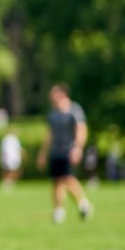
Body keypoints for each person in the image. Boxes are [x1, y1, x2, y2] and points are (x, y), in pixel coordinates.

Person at [36, 83, 92, 223]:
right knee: (56, 181)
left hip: (69, 151)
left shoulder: (74, 110)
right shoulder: (53, 113)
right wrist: (43, 152)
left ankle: (83, 203)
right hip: (56, 151)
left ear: (62, 94)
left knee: (67, 178)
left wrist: (77, 148)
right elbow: (50, 134)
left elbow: (81, 130)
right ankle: (59, 210)